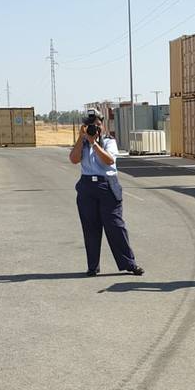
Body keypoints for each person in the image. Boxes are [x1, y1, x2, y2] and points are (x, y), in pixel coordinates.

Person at [69, 109, 144, 276]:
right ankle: (92, 266)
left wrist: (94, 142)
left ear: (102, 125)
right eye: (90, 125)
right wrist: (82, 139)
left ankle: (129, 263)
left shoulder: (109, 141)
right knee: (90, 228)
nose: (94, 128)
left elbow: (109, 160)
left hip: (107, 186)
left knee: (116, 226)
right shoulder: (82, 143)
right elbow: (73, 159)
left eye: (97, 124)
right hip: (87, 187)